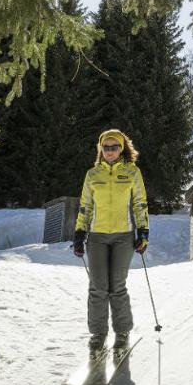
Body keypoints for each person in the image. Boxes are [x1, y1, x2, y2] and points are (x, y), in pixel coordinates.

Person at [71, 129, 149, 356]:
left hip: (123, 237)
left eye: (115, 147)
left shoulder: (132, 172)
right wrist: (79, 233)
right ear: (101, 149)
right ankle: (98, 336)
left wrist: (143, 232)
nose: (110, 151)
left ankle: (122, 333)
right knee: (97, 288)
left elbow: (140, 203)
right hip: (96, 237)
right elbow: (85, 207)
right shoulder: (93, 174)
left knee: (117, 286)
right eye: (106, 147)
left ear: (122, 148)